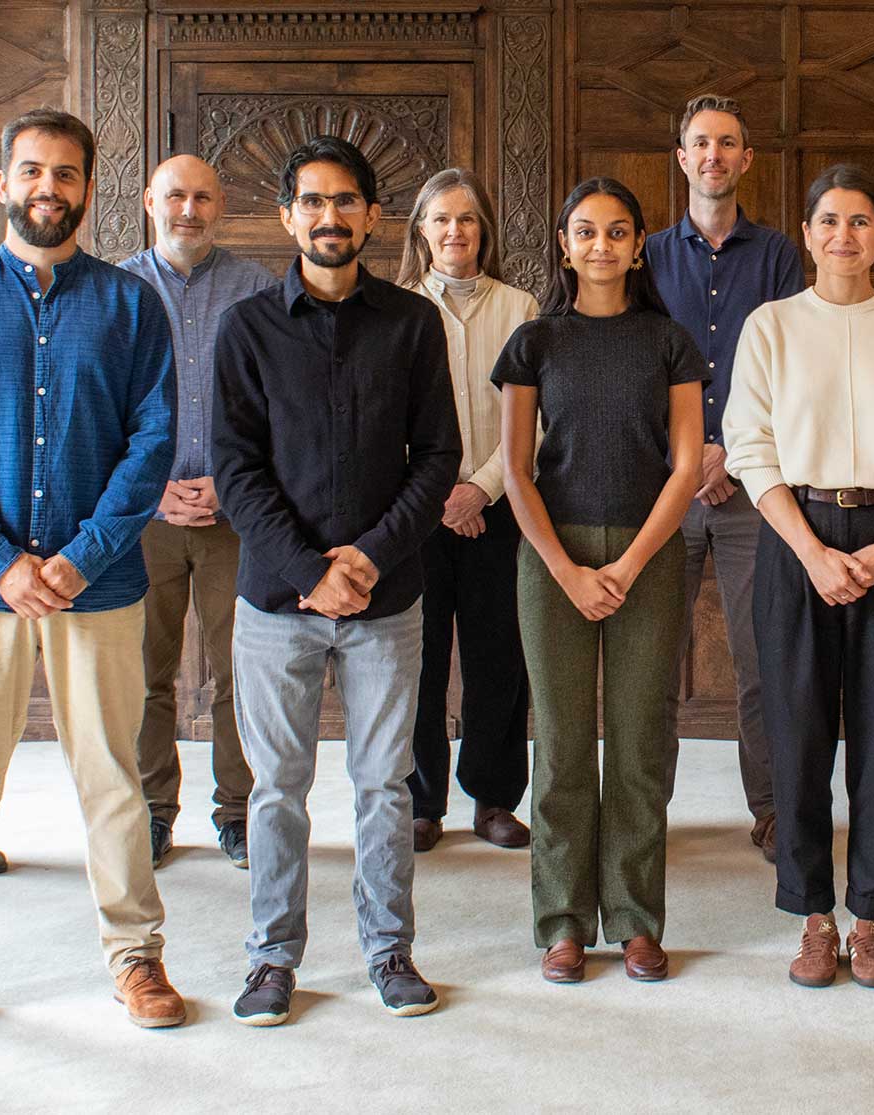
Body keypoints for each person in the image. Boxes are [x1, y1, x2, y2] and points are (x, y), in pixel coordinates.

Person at [0, 108, 184, 1045]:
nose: (46, 188)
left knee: (112, 777)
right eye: (31, 171)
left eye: (64, 173)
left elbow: (151, 444)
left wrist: (80, 556)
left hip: (99, 582)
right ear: (3, 184)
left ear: (89, 188)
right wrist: (2, 561)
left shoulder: (132, 304)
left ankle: (135, 954)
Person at [212, 136, 460, 1025]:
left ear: (372, 215)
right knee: (277, 788)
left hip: (385, 598)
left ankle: (389, 949)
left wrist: (368, 558)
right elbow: (237, 469)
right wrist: (311, 570)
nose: (329, 216)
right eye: (311, 201)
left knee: (385, 785)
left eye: (345, 200)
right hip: (277, 601)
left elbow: (438, 457)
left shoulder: (411, 322)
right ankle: (272, 958)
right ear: (288, 217)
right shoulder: (246, 328)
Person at [726, 163, 874, 990]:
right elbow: (751, 449)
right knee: (797, 736)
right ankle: (814, 918)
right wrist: (812, 553)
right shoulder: (771, 326)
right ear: (807, 233)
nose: (843, 235)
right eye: (828, 220)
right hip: (798, 540)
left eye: (861, 221)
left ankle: (870, 918)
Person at [501, 178, 705, 984]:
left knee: (638, 742)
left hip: (646, 556)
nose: (601, 245)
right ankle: (561, 921)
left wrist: (625, 564)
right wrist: (566, 569)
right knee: (559, 745)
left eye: (618, 232)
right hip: (551, 554)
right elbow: (516, 471)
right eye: (585, 231)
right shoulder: (534, 342)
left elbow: (686, 467)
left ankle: (634, 919)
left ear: (639, 244)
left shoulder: (668, 340)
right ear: (564, 243)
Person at [644, 93, 807, 862]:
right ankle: (643, 813)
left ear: (746, 158)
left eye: (727, 143)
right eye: (701, 142)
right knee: (649, 661)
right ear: (683, 158)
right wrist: (689, 455)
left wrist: (727, 454)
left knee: (761, 657)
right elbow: (635, 366)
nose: (714, 154)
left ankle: (773, 811)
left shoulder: (778, 257)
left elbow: (790, 370)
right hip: (664, 490)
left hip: (751, 488)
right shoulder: (646, 254)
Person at [117, 154, 273, 869]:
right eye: (175, 195)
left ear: (221, 206)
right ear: (150, 202)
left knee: (241, 669)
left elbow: (277, 404)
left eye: (203, 197)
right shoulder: (116, 289)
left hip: (231, 516)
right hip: (138, 518)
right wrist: (150, 489)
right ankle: (151, 811)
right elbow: (95, 407)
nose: (189, 209)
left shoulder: (257, 289)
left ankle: (238, 811)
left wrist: (230, 483)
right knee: (142, 672)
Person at [396, 167, 539, 854]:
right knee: (416, 659)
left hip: (499, 505)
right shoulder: (395, 308)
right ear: (421, 231)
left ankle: (494, 798)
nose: (455, 230)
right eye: (442, 219)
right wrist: (438, 497)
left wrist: (479, 489)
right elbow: (385, 420)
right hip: (415, 512)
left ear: (484, 230)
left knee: (498, 658)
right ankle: (422, 802)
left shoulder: (520, 308)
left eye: (468, 218)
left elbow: (535, 419)